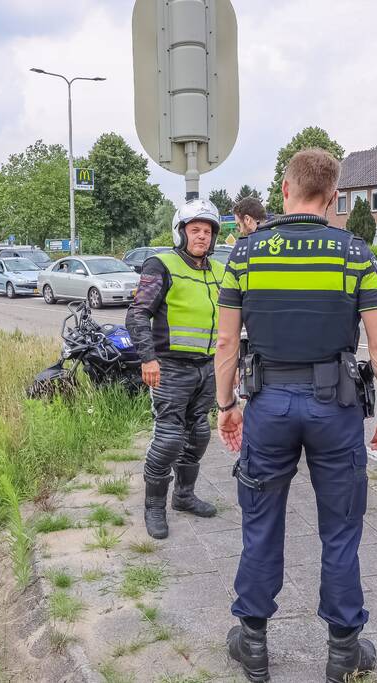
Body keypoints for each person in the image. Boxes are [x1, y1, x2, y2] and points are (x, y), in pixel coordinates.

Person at [214, 149, 377, 683]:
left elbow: (227, 339)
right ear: (335, 195)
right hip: (335, 407)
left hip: (269, 404)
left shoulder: (248, 253)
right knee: (341, 529)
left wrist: (227, 406)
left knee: (260, 522)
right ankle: (344, 651)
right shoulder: (353, 252)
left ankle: (253, 643)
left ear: (284, 189)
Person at [126, 198, 226, 539]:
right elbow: (137, 313)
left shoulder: (217, 270)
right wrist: (148, 358)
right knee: (169, 438)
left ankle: (183, 497)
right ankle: (154, 507)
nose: (202, 237)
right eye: (195, 230)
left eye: (208, 231)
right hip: (170, 367)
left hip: (206, 367)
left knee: (199, 434)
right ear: (181, 232)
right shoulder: (161, 264)